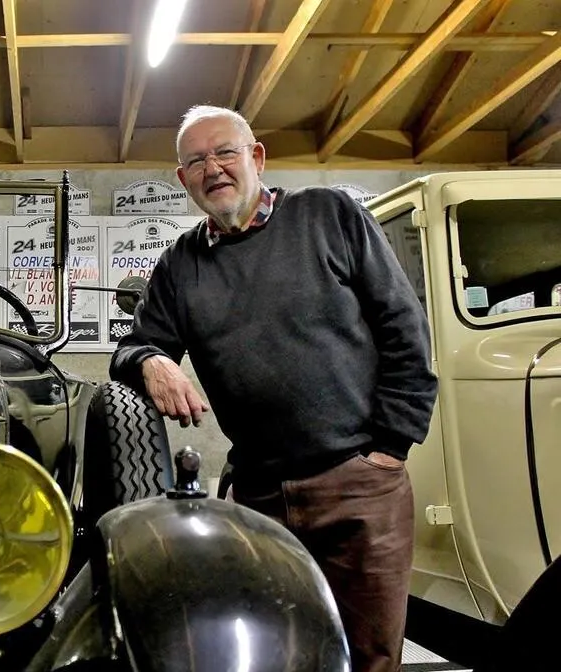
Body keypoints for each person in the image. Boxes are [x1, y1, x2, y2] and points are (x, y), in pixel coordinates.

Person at [109, 104, 439, 672]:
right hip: (259, 499)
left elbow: (403, 327)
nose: (212, 168)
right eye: (195, 161)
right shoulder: (179, 266)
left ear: (256, 157)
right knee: (269, 652)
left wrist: (391, 445)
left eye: (224, 152)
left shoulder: (328, 215)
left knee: (372, 656)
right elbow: (130, 348)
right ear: (184, 179)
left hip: (359, 484)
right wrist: (151, 360)